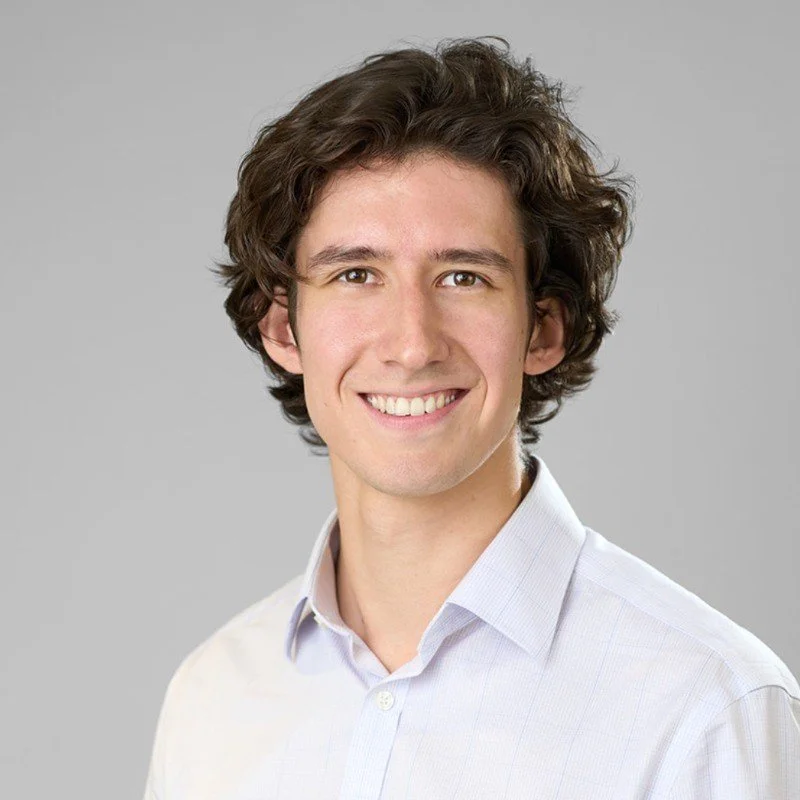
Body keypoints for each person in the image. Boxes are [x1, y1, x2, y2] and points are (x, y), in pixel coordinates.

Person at [141, 37, 799, 799]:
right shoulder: (211, 699)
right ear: (283, 328)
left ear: (544, 328)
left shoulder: (706, 710)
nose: (412, 344)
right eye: (356, 274)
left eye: (463, 277)